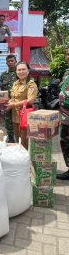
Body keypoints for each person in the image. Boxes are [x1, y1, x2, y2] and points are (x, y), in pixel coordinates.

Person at [5, 61, 38, 149]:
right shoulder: (15, 83)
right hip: (15, 116)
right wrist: (9, 104)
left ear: (28, 71)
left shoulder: (31, 84)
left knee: (24, 142)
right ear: (16, 72)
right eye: (19, 70)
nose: (21, 71)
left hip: (25, 117)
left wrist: (14, 104)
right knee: (18, 140)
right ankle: (19, 160)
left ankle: (26, 160)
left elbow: (31, 100)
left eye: (23, 69)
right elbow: (13, 97)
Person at [57, 47, 69, 180]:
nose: (68, 56)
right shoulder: (66, 73)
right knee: (65, 141)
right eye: (67, 54)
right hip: (65, 116)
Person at [0, 54, 17, 142]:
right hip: (7, 104)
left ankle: (20, 142)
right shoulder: (3, 75)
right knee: (8, 124)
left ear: (15, 61)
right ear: (6, 63)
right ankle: (11, 141)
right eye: (8, 61)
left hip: (17, 103)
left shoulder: (19, 73)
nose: (10, 63)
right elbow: (2, 90)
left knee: (18, 123)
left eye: (12, 61)